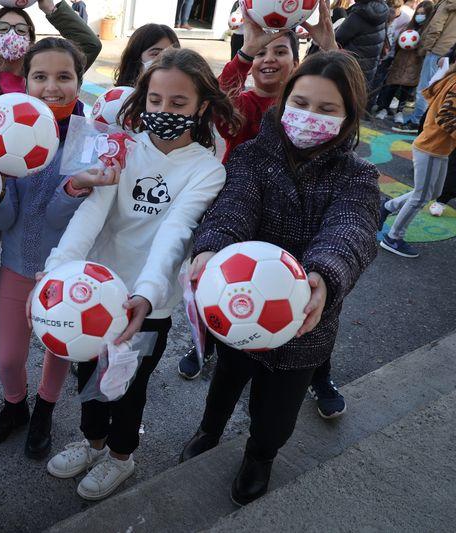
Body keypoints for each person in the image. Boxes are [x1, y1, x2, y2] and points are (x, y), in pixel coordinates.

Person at [179, 51, 379, 506]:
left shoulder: (358, 177)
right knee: (227, 379)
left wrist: (324, 275)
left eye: (327, 109)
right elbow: (234, 208)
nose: (310, 117)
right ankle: (209, 430)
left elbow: (350, 231)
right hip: (240, 307)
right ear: (285, 101)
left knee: (276, 410)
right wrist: (212, 246)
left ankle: (260, 456)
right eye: (302, 103)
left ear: (348, 117)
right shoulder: (253, 155)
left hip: (306, 320)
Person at [42, 47, 241, 501]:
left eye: (178, 104)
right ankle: (92, 442)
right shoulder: (123, 149)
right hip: (92, 293)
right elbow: (92, 213)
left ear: (201, 107)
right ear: (142, 100)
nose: (164, 112)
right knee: (87, 374)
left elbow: (175, 230)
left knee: (128, 385)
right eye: (155, 101)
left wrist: (148, 296)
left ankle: (120, 456)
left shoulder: (207, 169)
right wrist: (58, 269)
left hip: (148, 305)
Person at [176, 1, 337, 379]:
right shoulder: (245, 103)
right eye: (262, 52)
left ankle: (320, 375)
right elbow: (213, 107)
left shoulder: (308, 109)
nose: (269, 58)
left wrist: (331, 51)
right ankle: (208, 342)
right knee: (223, 282)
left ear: (296, 62)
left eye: (280, 51)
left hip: (299, 217)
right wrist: (245, 52)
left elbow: (345, 103)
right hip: (240, 213)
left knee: (312, 296)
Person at [0, 37, 116, 460]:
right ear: (24, 82)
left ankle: (45, 408)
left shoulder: (90, 138)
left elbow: (61, 218)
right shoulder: (7, 130)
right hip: (17, 268)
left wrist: (75, 185)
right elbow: (6, 221)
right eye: (40, 76)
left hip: (65, 271)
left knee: (60, 347)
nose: (52, 86)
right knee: (7, 357)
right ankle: (16, 405)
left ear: (80, 81)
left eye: (64, 76)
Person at [380, 65, 456, 258]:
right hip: (431, 147)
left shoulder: (452, 78)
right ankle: (393, 238)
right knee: (421, 197)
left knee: (433, 192)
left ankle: (387, 207)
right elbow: (446, 117)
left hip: (439, 148)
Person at [394, 0, 456, 133]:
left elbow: (435, 27)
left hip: (437, 50)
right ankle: (426, 122)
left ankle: (416, 122)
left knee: (425, 89)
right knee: (438, 91)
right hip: (451, 54)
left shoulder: (448, 3)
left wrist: (425, 49)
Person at [374, 1, 435, 123]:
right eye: (418, 13)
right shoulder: (408, 26)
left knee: (406, 89)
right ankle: (384, 108)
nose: (420, 16)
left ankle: (400, 112)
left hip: (415, 63)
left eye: (423, 14)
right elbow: (397, 44)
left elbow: (425, 46)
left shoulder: (427, 30)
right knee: (391, 85)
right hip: (400, 60)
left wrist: (418, 47)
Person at [334, 0, 389, 86]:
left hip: (348, 67)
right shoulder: (382, 11)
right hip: (369, 69)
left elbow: (336, 40)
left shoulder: (358, 15)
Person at [113, 23, 179, 88]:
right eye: (155, 54)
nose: (164, 59)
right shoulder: (123, 96)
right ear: (136, 57)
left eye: (170, 53)